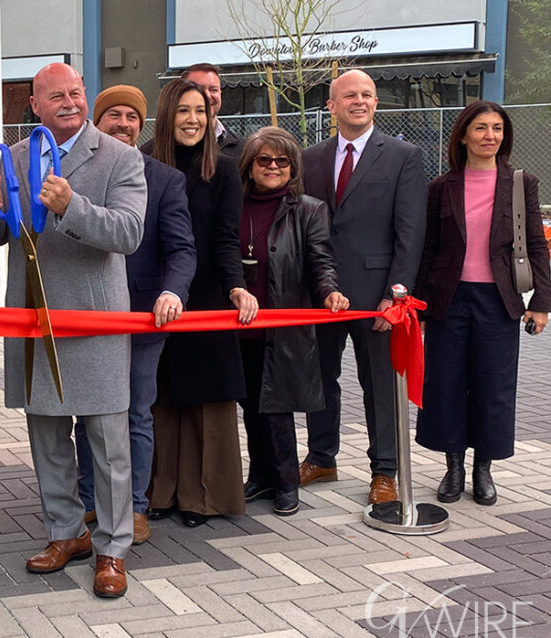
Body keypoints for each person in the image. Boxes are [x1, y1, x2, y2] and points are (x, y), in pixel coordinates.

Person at [0, 62, 145, 598]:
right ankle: (65, 533)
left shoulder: (121, 157)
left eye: (76, 92)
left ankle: (113, 549)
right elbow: (4, 233)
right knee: (47, 436)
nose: (69, 102)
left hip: (95, 323)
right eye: (56, 96)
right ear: (35, 104)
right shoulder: (19, 157)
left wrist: (74, 206)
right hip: (34, 314)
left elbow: (129, 233)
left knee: (108, 445)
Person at [74, 84, 196, 545]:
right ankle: (90, 500)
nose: (123, 124)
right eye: (113, 116)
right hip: (89, 316)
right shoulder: (80, 171)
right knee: (87, 413)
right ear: (97, 123)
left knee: (135, 414)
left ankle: (135, 505)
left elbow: (182, 249)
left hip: (145, 319)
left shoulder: (164, 179)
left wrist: (172, 291)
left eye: (132, 117)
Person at [415, 101, 551, 506]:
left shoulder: (520, 183)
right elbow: (428, 249)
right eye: (480, 128)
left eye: (496, 128)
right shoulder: (441, 187)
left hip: (499, 300)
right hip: (448, 299)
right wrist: (419, 306)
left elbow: (537, 247)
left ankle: (483, 468)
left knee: (493, 386)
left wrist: (542, 302)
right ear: (463, 135)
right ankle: (453, 466)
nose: (489, 135)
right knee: (446, 384)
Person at [300, 69, 426, 505]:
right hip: (322, 293)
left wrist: (397, 294)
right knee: (319, 377)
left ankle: (385, 470)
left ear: (375, 104)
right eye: (349, 95)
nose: (360, 101)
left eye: (368, 95)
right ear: (331, 106)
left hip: (377, 296)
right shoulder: (309, 157)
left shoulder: (402, 156)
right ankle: (321, 457)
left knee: (380, 383)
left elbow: (411, 232)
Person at [145, 78, 254, 529]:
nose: (194, 120)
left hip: (207, 296)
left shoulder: (225, 168)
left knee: (206, 400)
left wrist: (237, 287)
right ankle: (160, 490)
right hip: (156, 294)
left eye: (201, 111)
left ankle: (202, 497)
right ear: (168, 114)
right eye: (185, 111)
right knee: (161, 398)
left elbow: (227, 238)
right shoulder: (143, 160)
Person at [235, 127, 349, 517]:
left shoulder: (309, 209)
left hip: (284, 326)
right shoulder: (233, 204)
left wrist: (329, 292)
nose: (273, 167)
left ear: (292, 168)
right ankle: (261, 476)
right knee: (250, 406)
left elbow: (321, 261)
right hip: (238, 325)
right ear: (249, 166)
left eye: (282, 161)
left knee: (277, 409)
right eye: (263, 160)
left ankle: (286, 483)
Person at [139, 63, 241, 160]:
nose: (206, 96)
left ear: (220, 93)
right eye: (197, 89)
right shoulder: (147, 155)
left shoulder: (242, 150)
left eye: (213, 89)